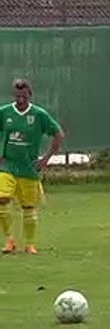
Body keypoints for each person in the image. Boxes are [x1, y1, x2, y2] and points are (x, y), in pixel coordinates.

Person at [0, 79, 65, 255]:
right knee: (2, 198)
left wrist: (46, 158)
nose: (20, 100)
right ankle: (9, 241)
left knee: (28, 207)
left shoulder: (39, 114)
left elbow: (58, 134)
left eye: (24, 96)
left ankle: (30, 244)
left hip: (28, 167)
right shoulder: (4, 112)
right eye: (17, 96)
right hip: (6, 165)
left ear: (30, 95)